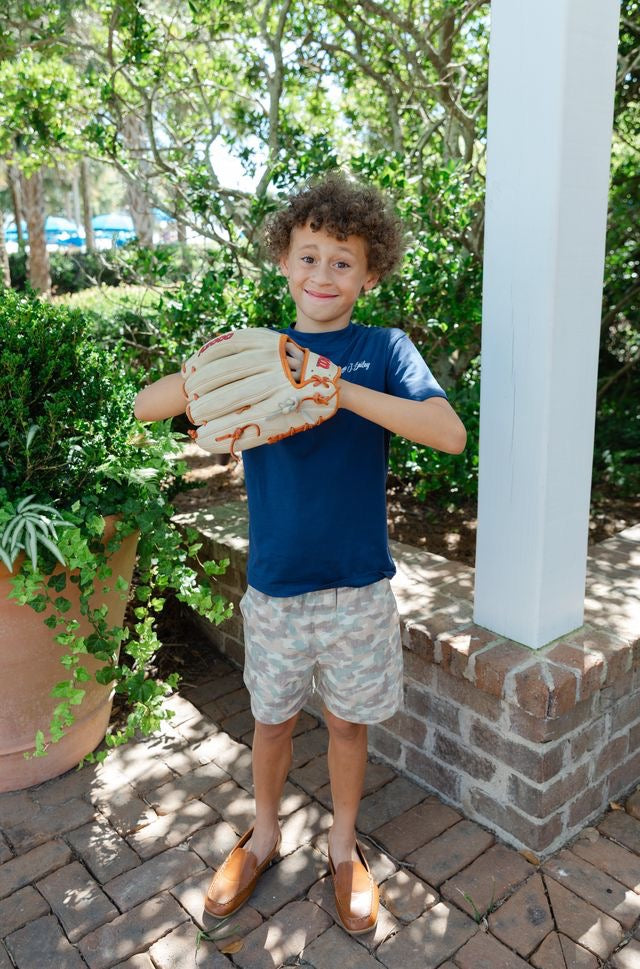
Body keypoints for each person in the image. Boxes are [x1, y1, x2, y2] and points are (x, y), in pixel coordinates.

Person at [134, 172, 466, 935]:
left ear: (370, 273)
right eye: (309, 255)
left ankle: (344, 848)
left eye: (343, 261)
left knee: (349, 725)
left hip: (358, 588)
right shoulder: (258, 353)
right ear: (284, 261)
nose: (324, 274)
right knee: (273, 720)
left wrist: (337, 388)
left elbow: (447, 433)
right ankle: (267, 834)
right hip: (276, 586)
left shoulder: (383, 350)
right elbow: (148, 407)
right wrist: (215, 371)